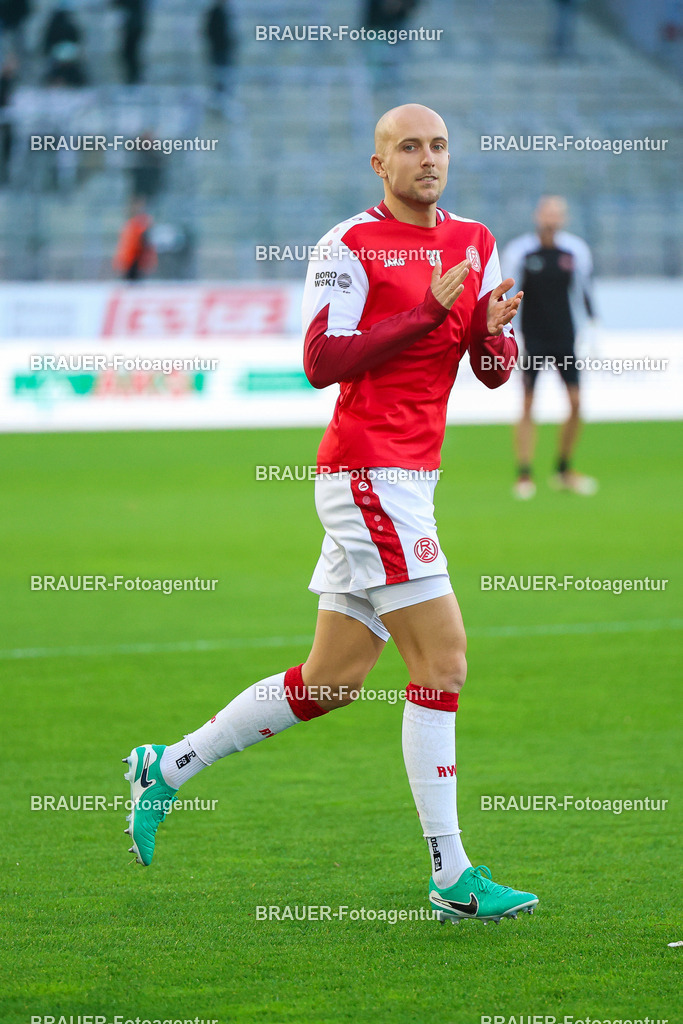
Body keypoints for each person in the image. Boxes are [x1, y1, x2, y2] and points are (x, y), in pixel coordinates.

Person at [123, 103, 539, 926]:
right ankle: (450, 874)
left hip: (412, 476)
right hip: (366, 473)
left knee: (333, 681)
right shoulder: (347, 245)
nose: (428, 158)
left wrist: (491, 334)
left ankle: (164, 767)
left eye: (438, 145)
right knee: (444, 662)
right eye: (408, 147)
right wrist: (424, 311)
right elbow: (319, 361)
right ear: (378, 166)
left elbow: (488, 372)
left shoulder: (474, 240)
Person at [502, 195, 597, 499]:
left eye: (557, 212)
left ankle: (564, 469)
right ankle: (524, 473)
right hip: (533, 337)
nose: (552, 217)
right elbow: (507, 294)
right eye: (547, 212)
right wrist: (509, 334)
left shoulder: (575, 251)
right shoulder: (521, 251)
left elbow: (584, 291)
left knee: (576, 403)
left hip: (565, 337)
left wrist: (592, 327)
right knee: (528, 402)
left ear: (564, 217)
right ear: (538, 215)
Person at [112, 198, 156, 280]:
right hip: (129, 260)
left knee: (133, 285)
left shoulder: (140, 224)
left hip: (135, 261)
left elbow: (144, 243)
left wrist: (146, 260)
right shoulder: (132, 224)